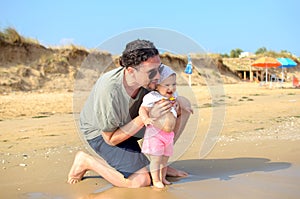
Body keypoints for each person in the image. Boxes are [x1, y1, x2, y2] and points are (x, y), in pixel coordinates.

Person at [67, 39, 193, 188]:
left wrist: (179, 100)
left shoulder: (152, 73)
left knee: (181, 108)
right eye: (151, 72)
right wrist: (147, 117)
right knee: (141, 181)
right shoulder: (109, 90)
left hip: (132, 122)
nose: (158, 76)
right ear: (131, 71)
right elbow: (111, 139)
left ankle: (159, 161)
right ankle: (86, 161)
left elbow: (168, 92)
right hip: (103, 133)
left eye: (159, 69)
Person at [139, 65, 178, 188]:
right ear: (156, 85)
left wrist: (177, 106)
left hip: (168, 135)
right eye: (167, 85)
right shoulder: (152, 97)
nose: (171, 88)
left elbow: (176, 106)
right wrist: (145, 118)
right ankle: (156, 180)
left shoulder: (172, 97)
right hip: (155, 134)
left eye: (173, 84)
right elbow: (143, 108)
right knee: (156, 159)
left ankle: (163, 178)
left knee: (165, 160)